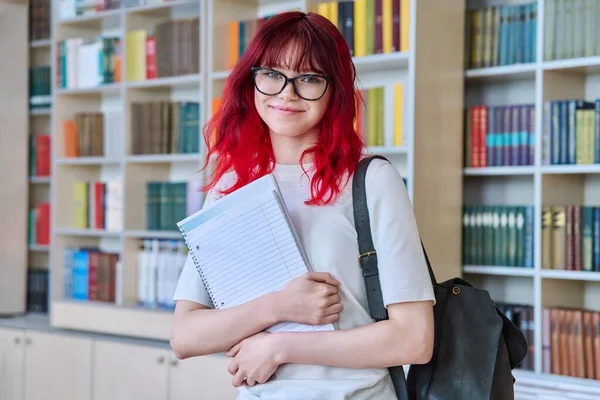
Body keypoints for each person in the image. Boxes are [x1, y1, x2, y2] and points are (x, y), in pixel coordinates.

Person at [170, 10, 435, 400]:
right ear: (252, 82)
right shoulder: (230, 187)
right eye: (272, 75)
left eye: (309, 78)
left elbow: (414, 339)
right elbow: (185, 336)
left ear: (335, 90)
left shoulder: (372, 180)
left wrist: (281, 346)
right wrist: (278, 306)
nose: (287, 93)